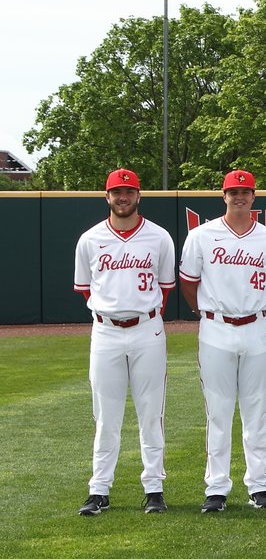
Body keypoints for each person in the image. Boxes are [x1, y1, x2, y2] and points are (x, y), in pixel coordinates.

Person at [179, 170, 266, 513]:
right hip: (216, 328)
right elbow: (189, 284)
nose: (239, 197)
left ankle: (259, 485)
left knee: (257, 410)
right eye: (233, 191)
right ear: (223, 196)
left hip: (256, 327)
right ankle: (216, 487)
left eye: (245, 191)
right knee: (218, 411)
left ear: (254, 197)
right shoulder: (201, 235)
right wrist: (205, 313)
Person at [74, 168, 177, 516]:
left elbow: (165, 288)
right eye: (117, 192)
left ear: (138, 195)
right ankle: (99, 489)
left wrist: (139, 315)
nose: (123, 197)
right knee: (106, 415)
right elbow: (86, 289)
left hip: (147, 329)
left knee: (152, 411)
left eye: (129, 191)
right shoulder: (89, 239)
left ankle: (154, 488)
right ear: (107, 197)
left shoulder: (159, 237)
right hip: (105, 331)